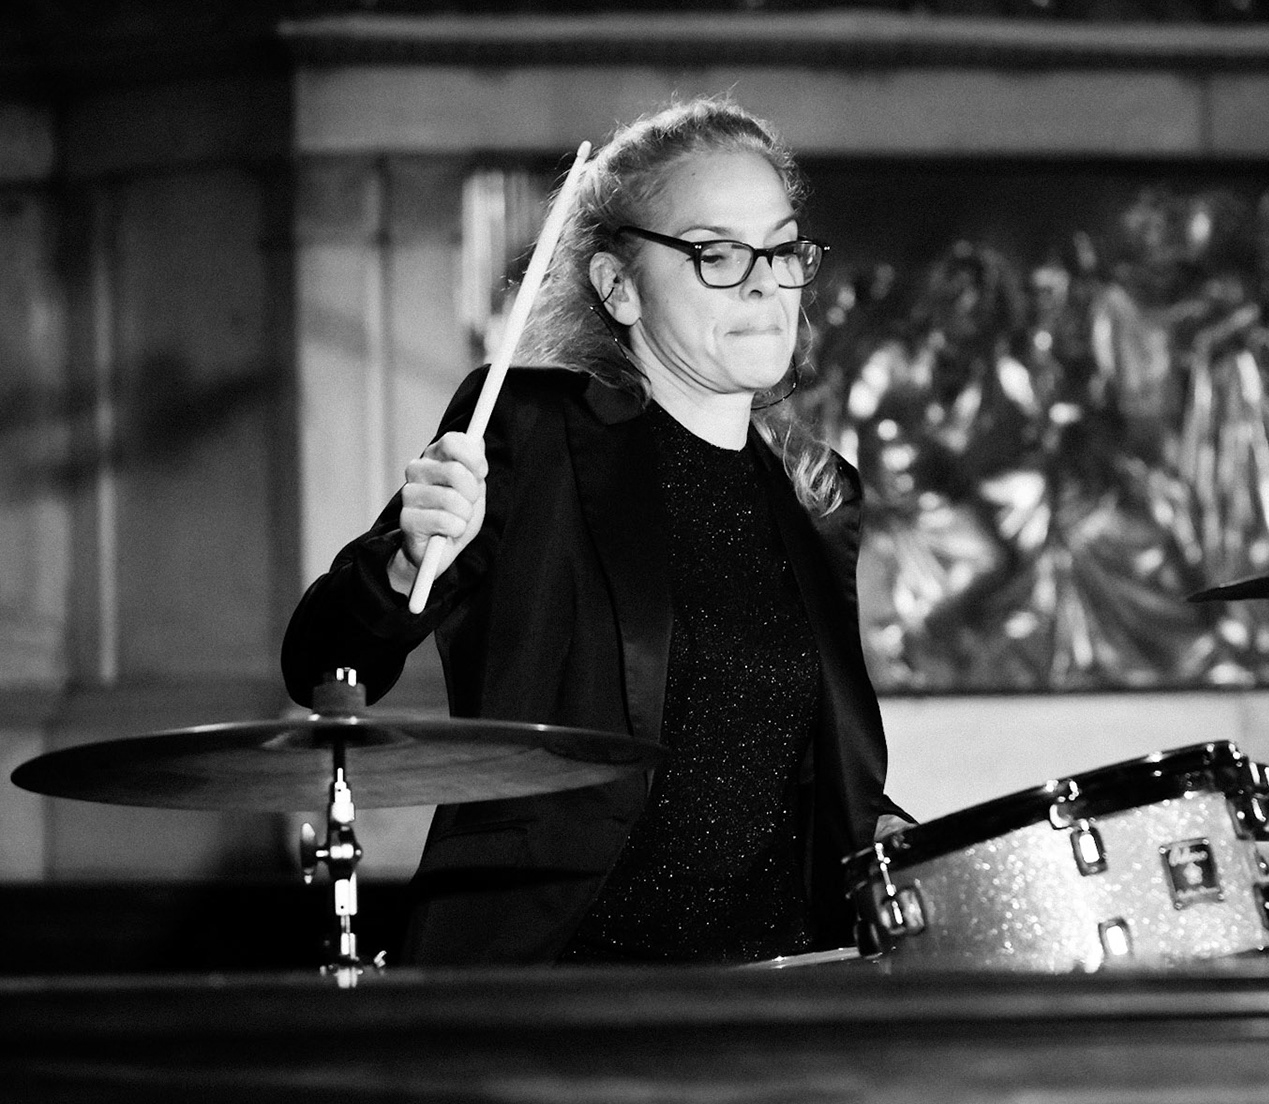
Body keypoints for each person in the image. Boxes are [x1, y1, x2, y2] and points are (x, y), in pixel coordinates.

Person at [282, 97, 908, 966]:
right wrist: (399, 569)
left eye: (783, 247)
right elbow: (323, 665)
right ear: (618, 285)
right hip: (558, 983)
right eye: (717, 254)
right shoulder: (531, 432)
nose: (766, 282)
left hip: (774, 988)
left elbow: (832, 784)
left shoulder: (819, 491)